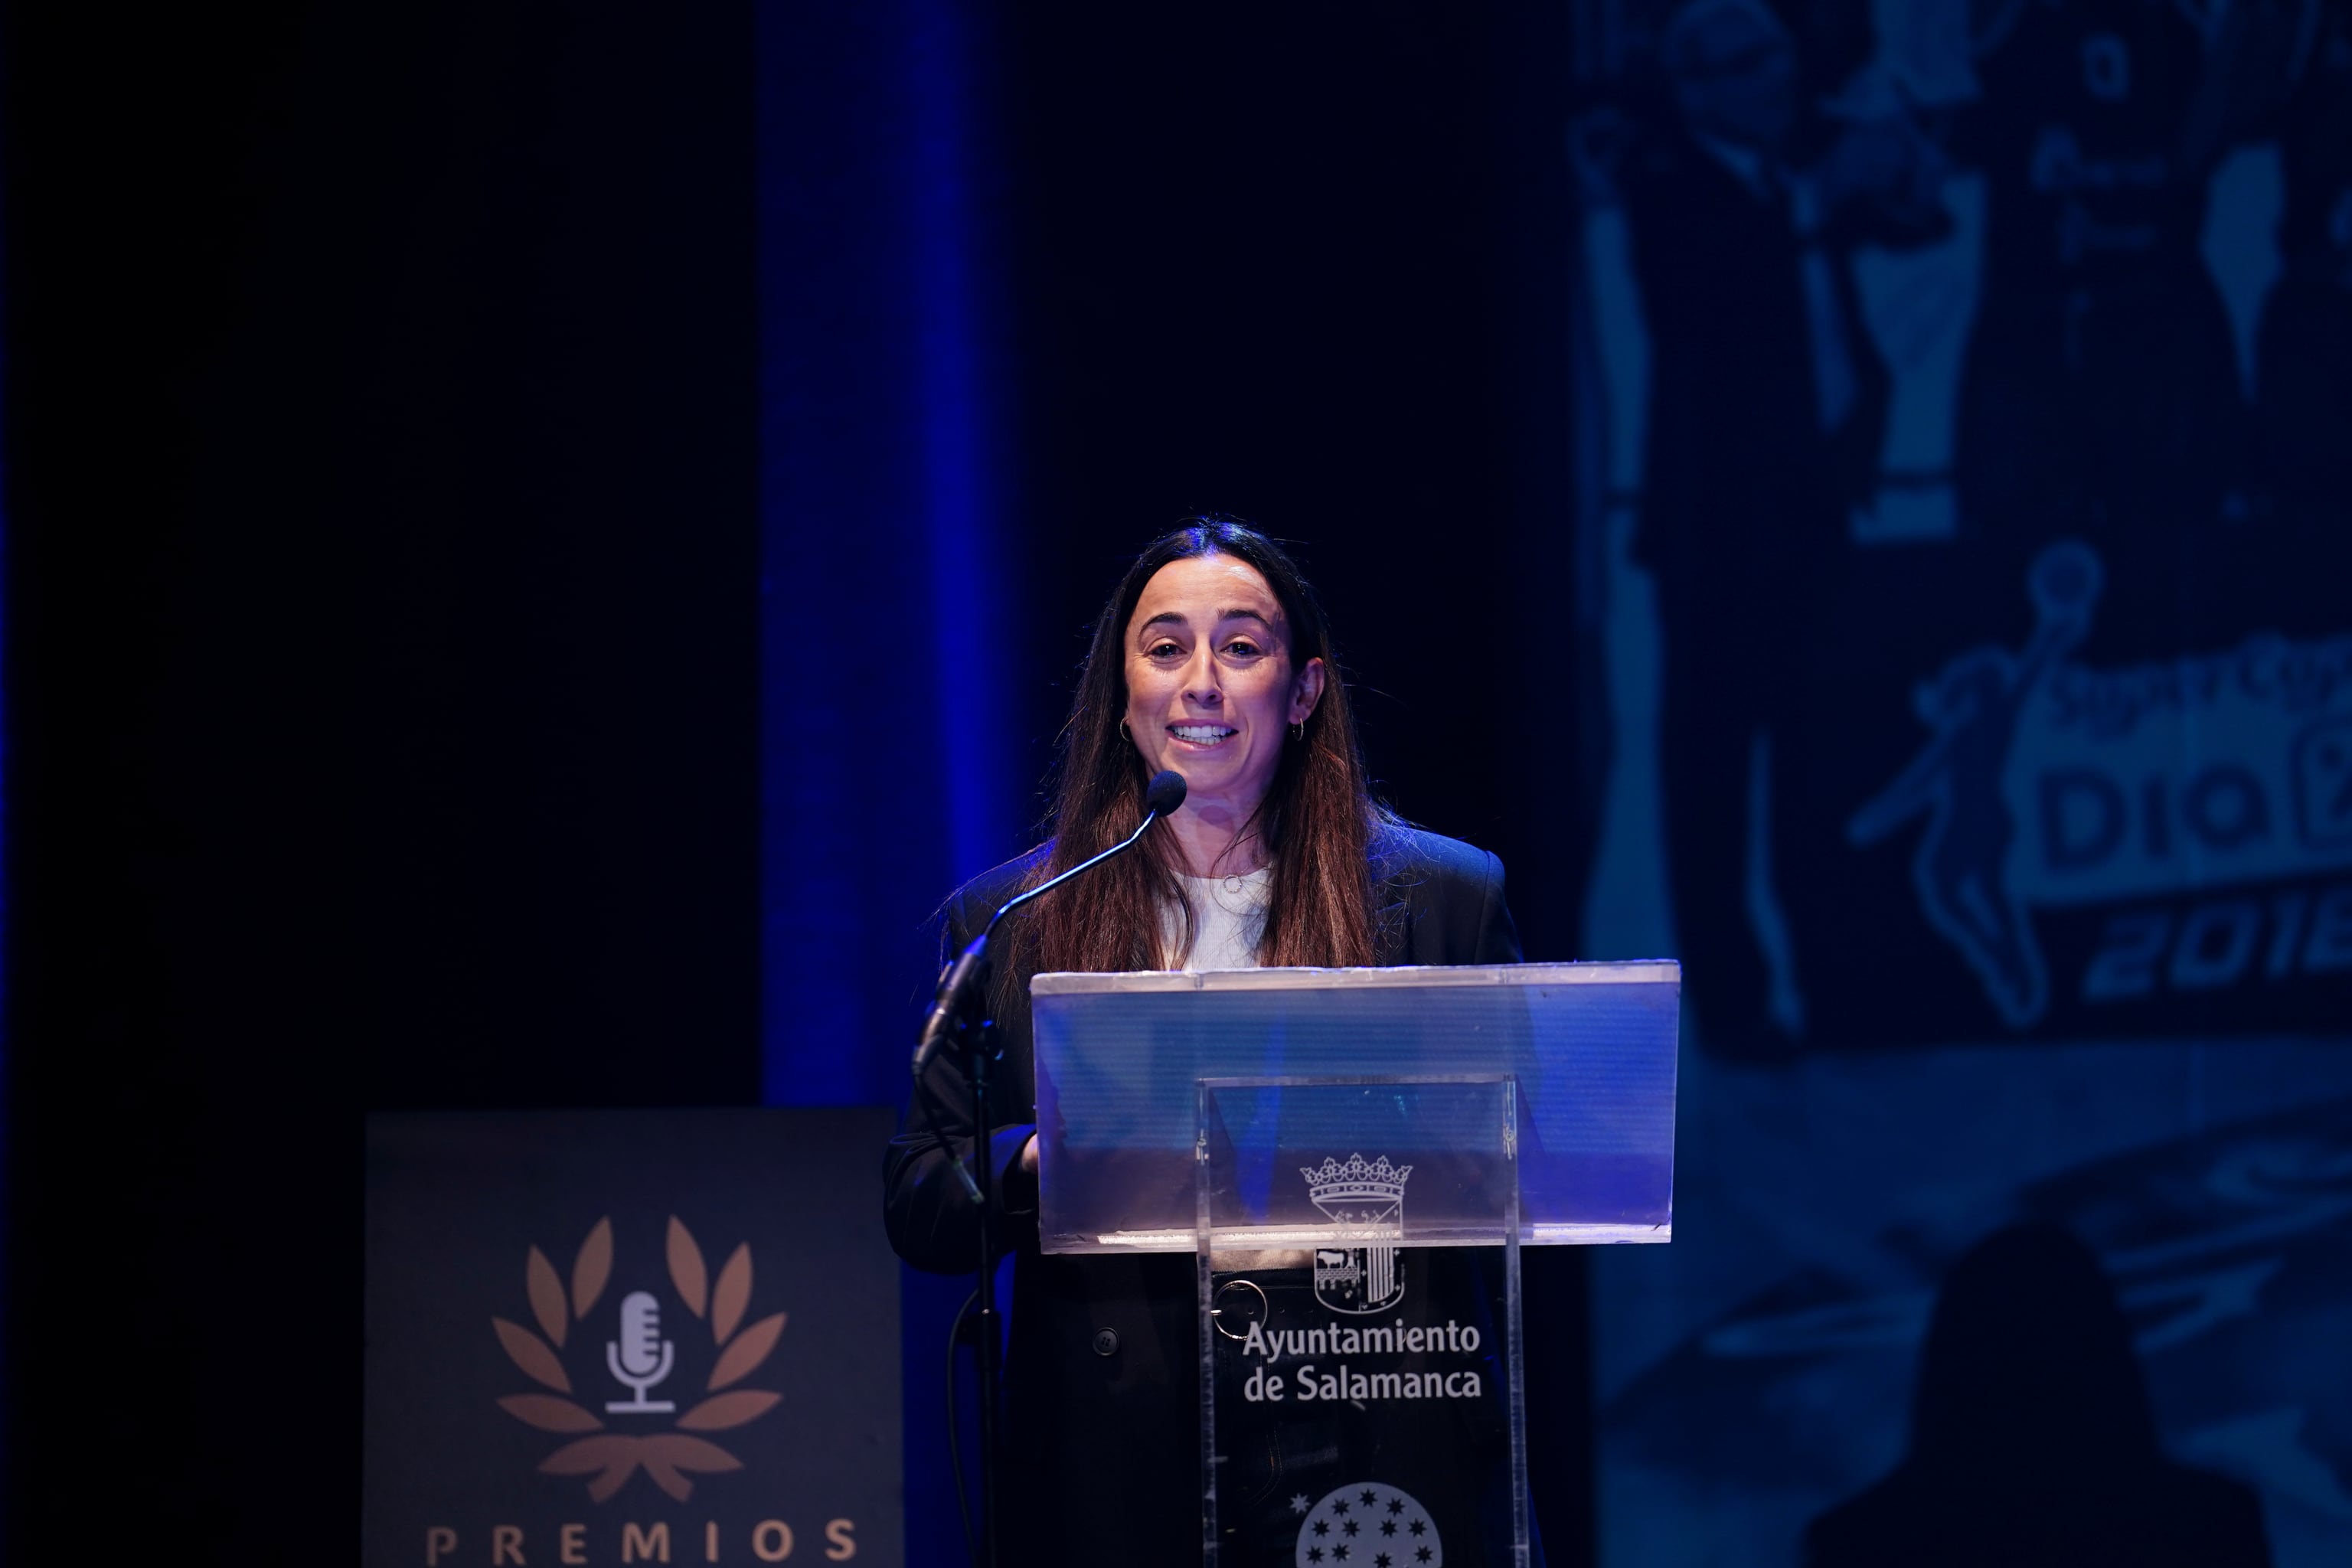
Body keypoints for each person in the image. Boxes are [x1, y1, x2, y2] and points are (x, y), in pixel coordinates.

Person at [883, 519, 1524, 1564]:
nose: (1202, 683)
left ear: (1304, 689)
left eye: (1241, 647)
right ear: (1123, 693)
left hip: (1374, 1413)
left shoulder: (1441, 901)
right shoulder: (1015, 920)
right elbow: (920, 1198)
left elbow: (1520, 1158)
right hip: (1120, 1444)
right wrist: (1045, 1161)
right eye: (1167, 647)